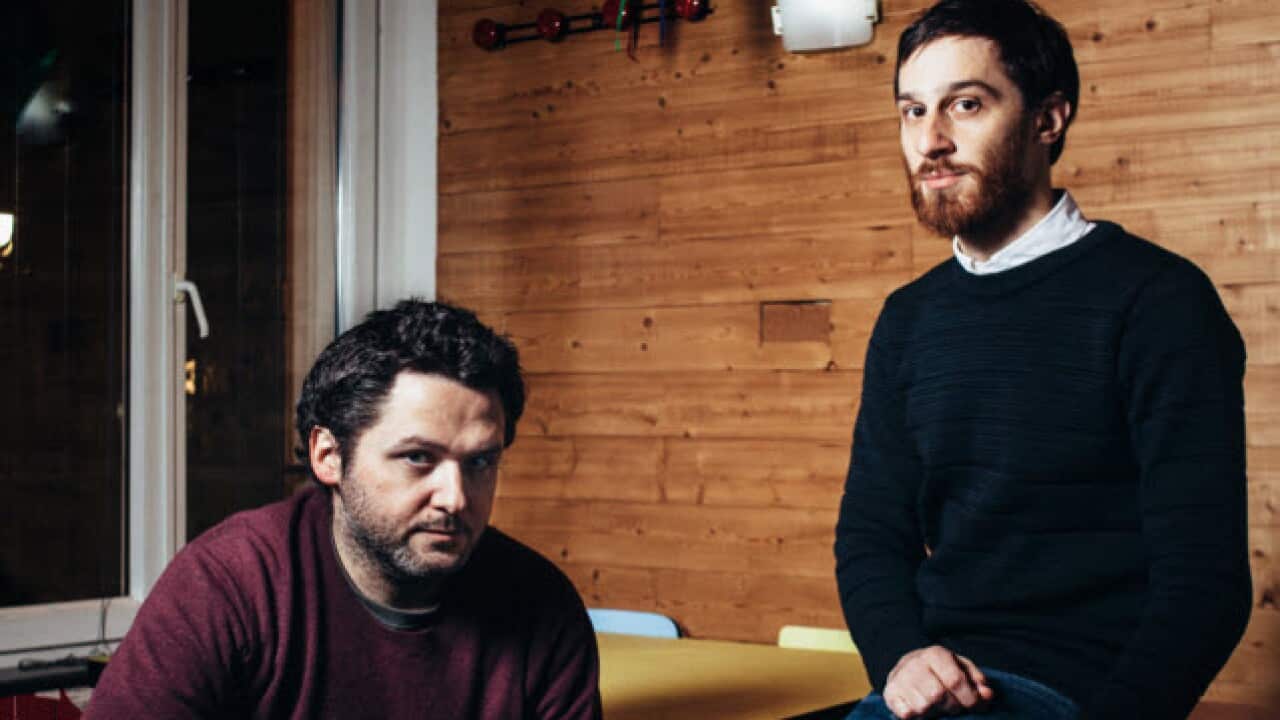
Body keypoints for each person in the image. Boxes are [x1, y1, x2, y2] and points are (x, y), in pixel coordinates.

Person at [834, 1, 1251, 719]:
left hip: (1079, 692)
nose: (930, 140)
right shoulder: (908, 319)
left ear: (1047, 120)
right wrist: (902, 656)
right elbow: (871, 534)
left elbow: (1205, 581)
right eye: (911, 111)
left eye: (965, 104)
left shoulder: (1159, 301)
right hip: (929, 688)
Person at [88, 300, 602, 719]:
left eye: (481, 461)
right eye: (418, 458)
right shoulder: (230, 585)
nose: (456, 497)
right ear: (328, 456)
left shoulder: (542, 604)